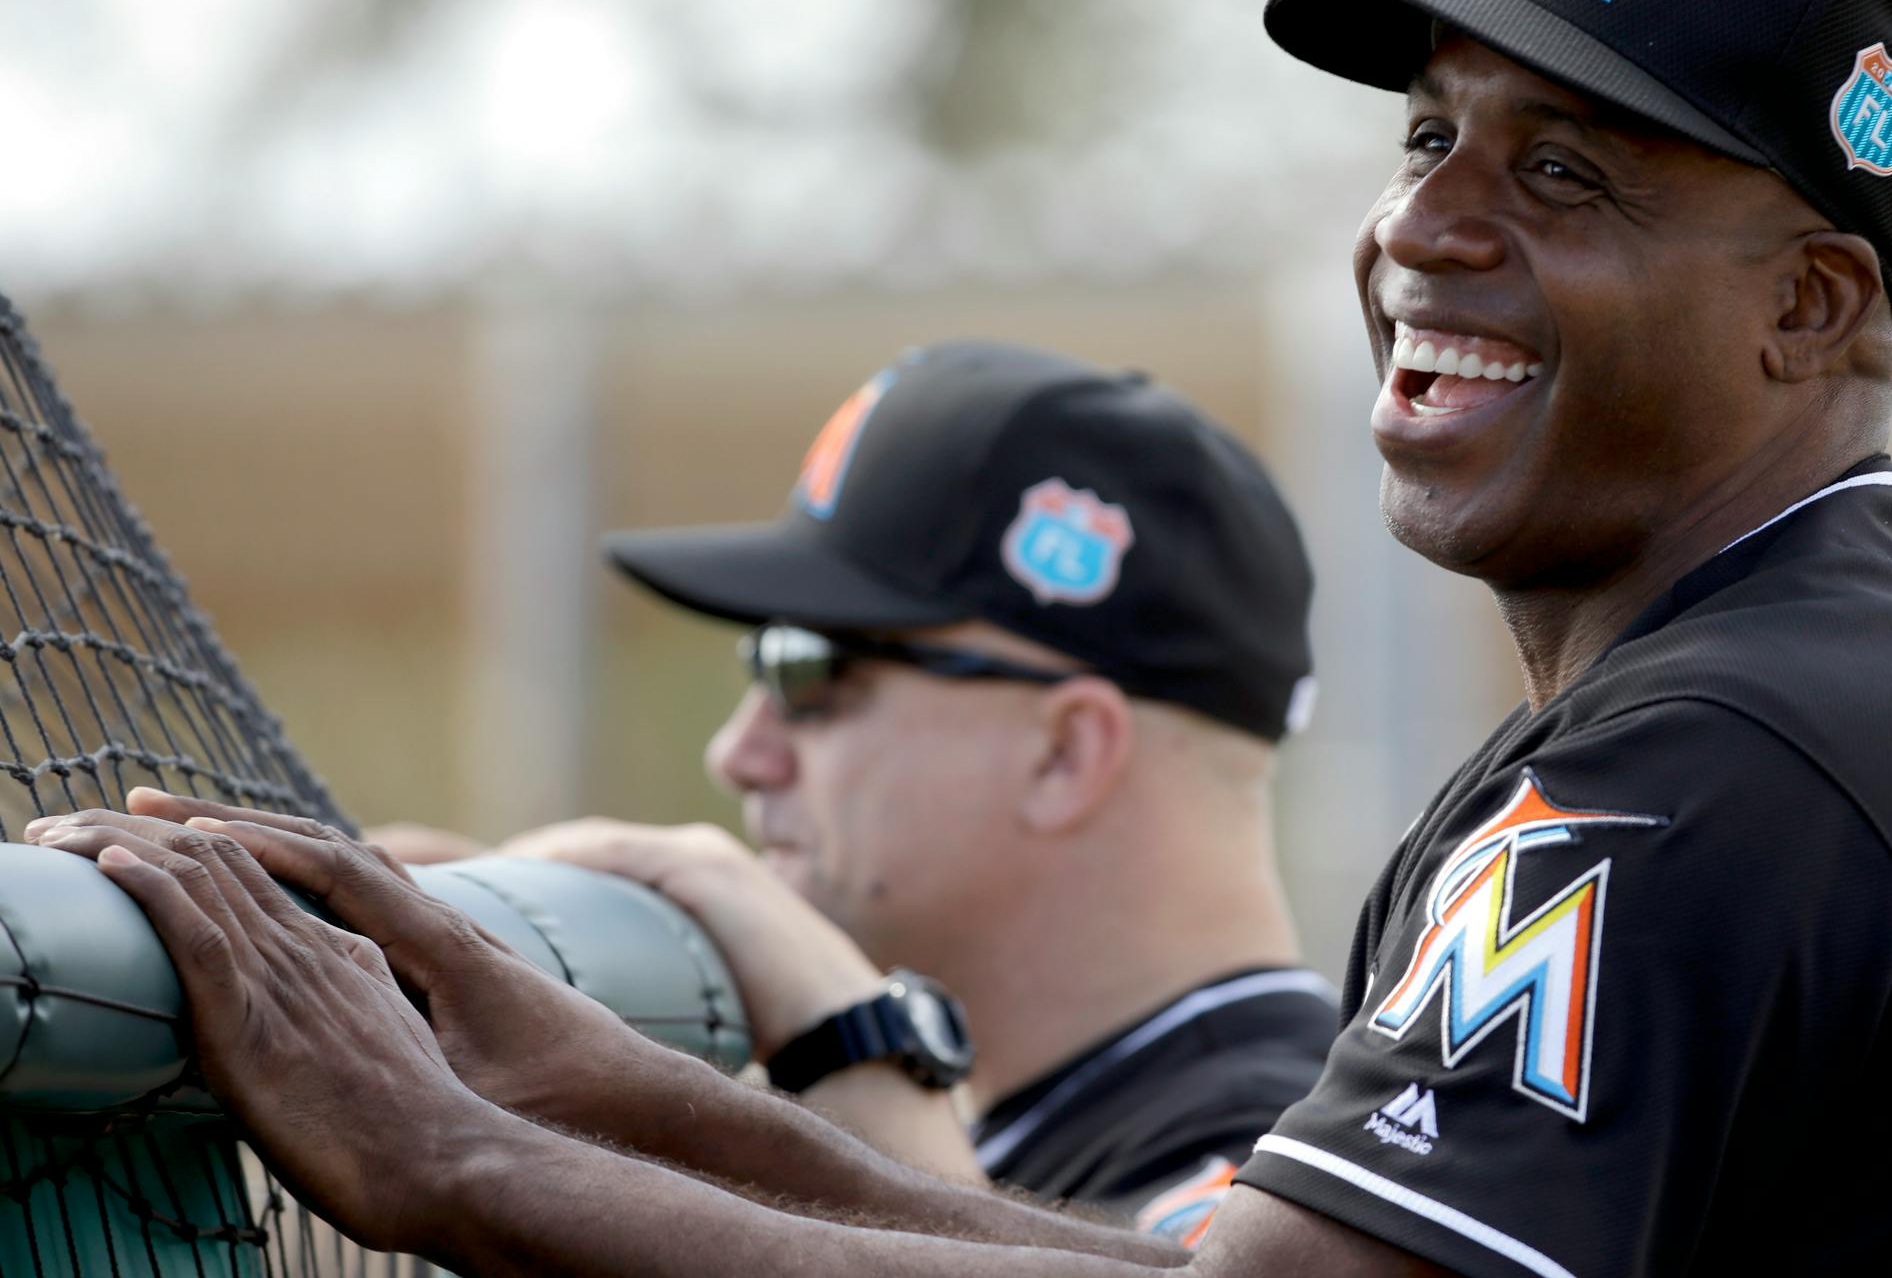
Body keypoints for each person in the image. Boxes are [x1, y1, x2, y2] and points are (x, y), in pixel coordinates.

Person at [29, 0, 1892, 1273]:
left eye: (1570, 173)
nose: (1427, 227)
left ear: (1810, 310)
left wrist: (454, 1168)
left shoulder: (1732, 754)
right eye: (1431, 136)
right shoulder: (1820, 680)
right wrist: (566, 1069)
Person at [489, 339, 1336, 1226]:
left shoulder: (1302, 1187)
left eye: (810, 673)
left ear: (1066, 753)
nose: (739, 752)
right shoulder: (1069, 1121)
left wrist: (858, 1047)